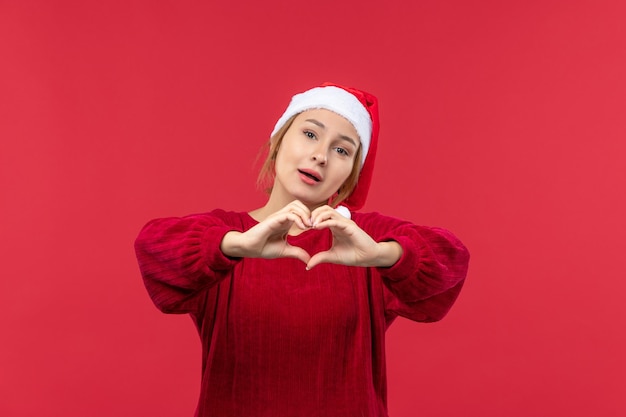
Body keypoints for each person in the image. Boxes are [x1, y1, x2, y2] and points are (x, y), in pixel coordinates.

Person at [134, 82, 470, 417]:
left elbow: (451, 258)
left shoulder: (363, 238)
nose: (320, 156)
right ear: (278, 141)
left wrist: (382, 255)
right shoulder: (222, 237)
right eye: (310, 134)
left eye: (342, 150)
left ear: (351, 174)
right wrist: (235, 244)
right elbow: (153, 245)